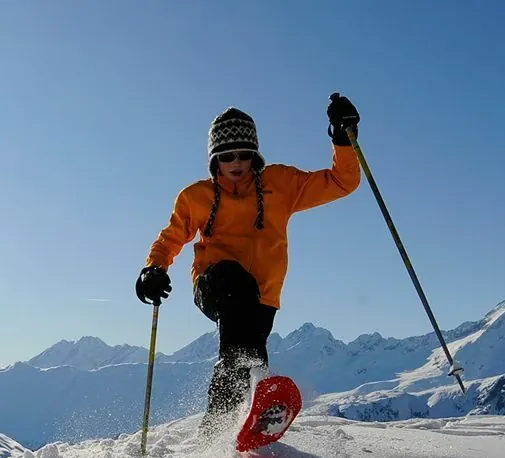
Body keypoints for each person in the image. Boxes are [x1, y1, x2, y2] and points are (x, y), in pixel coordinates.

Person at [136, 94, 362, 433]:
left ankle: (220, 431)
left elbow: (342, 181)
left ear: (255, 155)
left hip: (263, 297)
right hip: (214, 284)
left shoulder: (281, 184)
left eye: (244, 154)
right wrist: (154, 268)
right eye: (227, 156)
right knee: (234, 289)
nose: (236, 162)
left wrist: (343, 140)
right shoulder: (196, 197)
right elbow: (171, 237)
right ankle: (260, 382)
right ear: (214, 160)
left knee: (237, 361)